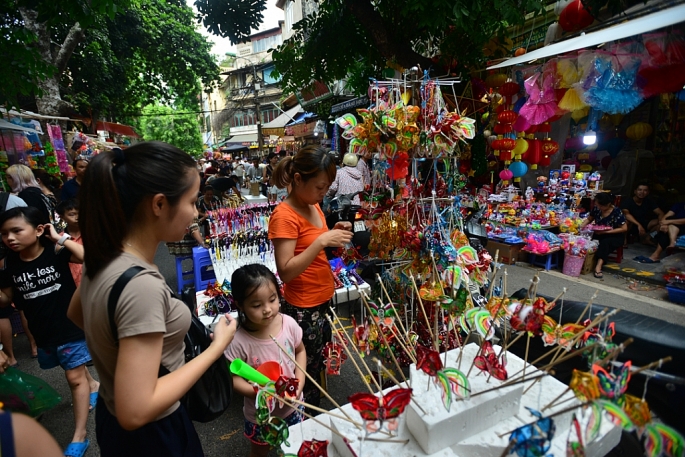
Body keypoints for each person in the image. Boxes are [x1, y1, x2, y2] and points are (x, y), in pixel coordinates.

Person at [72, 141, 237, 457]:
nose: (196, 212)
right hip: (153, 435)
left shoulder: (106, 256)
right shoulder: (140, 285)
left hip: (114, 418)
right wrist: (216, 348)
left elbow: (79, 314)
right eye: (191, 201)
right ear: (159, 204)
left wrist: (123, 356)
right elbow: (136, 410)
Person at [0, 206, 98, 457]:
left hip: (69, 327)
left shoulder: (56, 251)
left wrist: (60, 238)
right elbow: (6, 298)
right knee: (69, 366)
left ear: (39, 230)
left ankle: (80, 435)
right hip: (43, 332)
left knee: (73, 377)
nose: (9, 238)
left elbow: (89, 257)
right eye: (3, 234)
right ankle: (94, 385)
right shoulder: (10, 263)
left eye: (16, 231)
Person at [268, 145, 352, 407]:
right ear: (297, 180)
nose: (323, 193)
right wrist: (321, 241)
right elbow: (286, 271)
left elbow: (314, 245)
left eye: (326, 187)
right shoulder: (284, 215)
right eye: (319, 187)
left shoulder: (313, 204)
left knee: (318, 364)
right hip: (304, 307)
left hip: (322, 297)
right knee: (305, 372)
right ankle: (303, 421)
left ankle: (311, 414)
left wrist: (333, 233)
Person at [224, 264, 305, 457]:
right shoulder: (238, 341)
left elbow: (300, 351)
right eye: (256, 305)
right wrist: (259, 393)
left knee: (295, 446)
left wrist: (299, 382)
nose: (268, 310)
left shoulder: (289, 324)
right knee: (260, 451)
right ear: (240, 304)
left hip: (294, 406)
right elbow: (233, 378)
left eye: (272, 299)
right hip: (261, 415)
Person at [580, 192, 627, 278]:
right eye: (597, 205)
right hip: (598, 233)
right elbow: (590, 219)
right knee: (585, 240)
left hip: (614, 235)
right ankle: (584, 262)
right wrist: (580, 227)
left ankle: (598, 266)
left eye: (601, 206)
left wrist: (606, 232)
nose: (599, 208)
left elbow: (624, 228)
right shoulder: (597, 208)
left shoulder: (616, 212)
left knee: (605, 243)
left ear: (608, 204)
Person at [56, 199, 83, 287]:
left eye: (80, 213)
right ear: (62, 217)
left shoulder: (92, 234)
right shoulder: (59, 238)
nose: (77, 217)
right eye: (72, 214)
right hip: (71, 283)